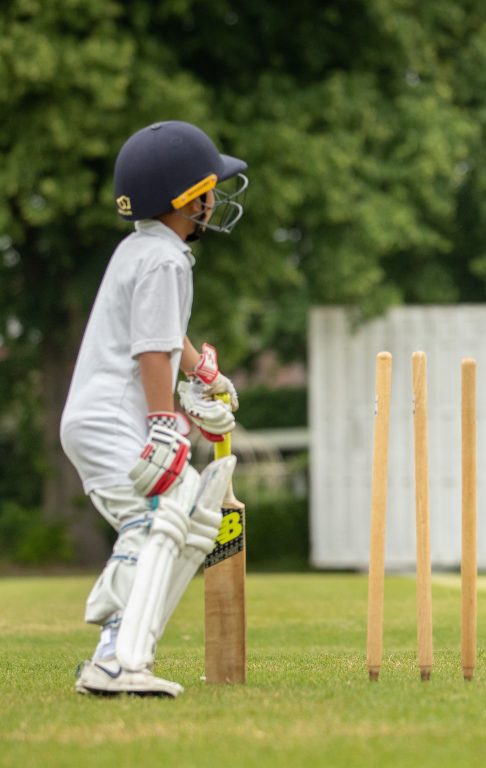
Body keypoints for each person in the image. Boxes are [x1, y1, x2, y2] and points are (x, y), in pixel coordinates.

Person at [60, 121, 249, 695]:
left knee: (191, 517)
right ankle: (117, 662)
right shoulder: (164, 261)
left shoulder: (146, 250)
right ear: (187, 200)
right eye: (210, 189)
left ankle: (115, 656)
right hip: (112, 418)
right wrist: (166, 421)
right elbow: (148, 350)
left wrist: (203, 374)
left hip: (97, 418)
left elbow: (168, 336)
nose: (217, 199)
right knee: (155, 519)